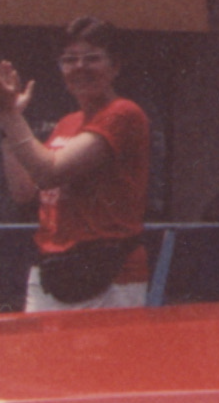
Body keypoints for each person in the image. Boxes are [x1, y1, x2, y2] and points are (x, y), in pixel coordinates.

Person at [0, 17, 151, 312]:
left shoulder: (123, 114)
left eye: (92, 58)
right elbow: (24, 191)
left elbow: (48, 172)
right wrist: (6, 122)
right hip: (52, 269)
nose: (80, 67)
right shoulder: (67, 123)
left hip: (112, 275)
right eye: (69, 60)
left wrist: (11, 115)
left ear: (115, 66)